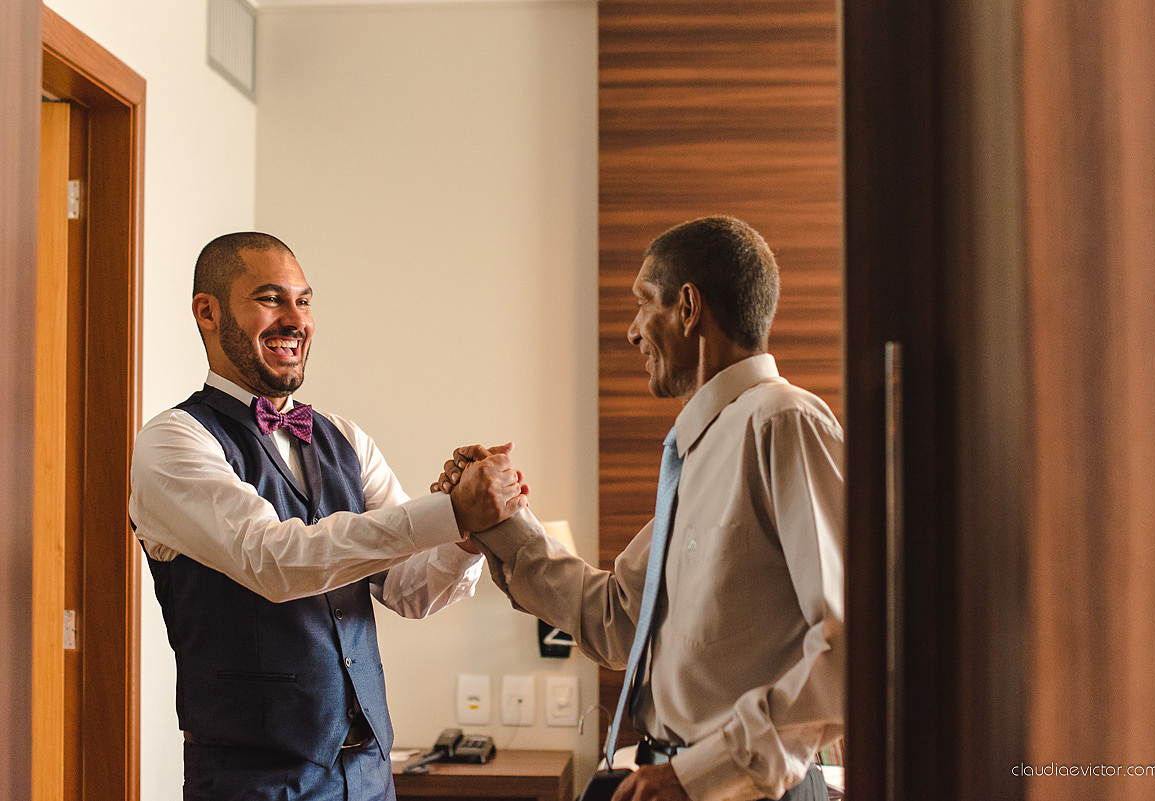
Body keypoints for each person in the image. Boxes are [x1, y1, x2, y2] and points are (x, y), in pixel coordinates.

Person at [438, 217, 843, 801]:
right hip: (667, 778)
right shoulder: (701, 450)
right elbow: (618, 619)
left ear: (687, 307)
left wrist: (699, 776)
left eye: (643, 303)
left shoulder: (782, 423)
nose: (632, 332)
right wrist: (498, 521)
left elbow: (847, 641)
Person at [129, 232, 527, 801]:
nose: (296, 319)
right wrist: (447, 511)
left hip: (368, 777)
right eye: (271, 299)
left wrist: (464, 534)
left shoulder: (345, 438)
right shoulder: (173, 441)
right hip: (252, 783)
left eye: (305, 301)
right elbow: (274, 561)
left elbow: (410, 589)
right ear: (208, 312)